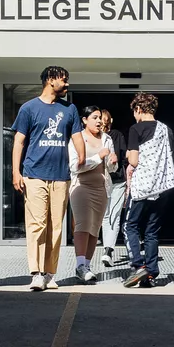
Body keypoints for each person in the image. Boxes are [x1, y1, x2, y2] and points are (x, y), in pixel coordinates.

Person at [11, 66, 87, 291]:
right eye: (64, 80)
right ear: (50, 80)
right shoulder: (29, 108)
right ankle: (36, 273)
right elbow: (19, 141)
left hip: (61, 176)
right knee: (37, 225)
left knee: (55, 227)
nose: (67, 84)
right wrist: (16, 172)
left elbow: (76, 136)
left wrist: (81, 157)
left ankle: (49, 273)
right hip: (34, 174)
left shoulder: (70, 109)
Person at [121, 92, 174, 288]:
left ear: (138, 109)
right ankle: (151, 273)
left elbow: (134, 160)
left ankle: (138, 266)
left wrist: (129, 153)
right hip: (162, 186)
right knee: (152, 231)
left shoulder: (136, 129)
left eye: (134, 112)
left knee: (130, 226)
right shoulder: (166, 129)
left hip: (141, 186)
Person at [69, 106, 116, 284]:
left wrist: (113, 162)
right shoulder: (77, 138)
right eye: (94, 117)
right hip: (81, 187)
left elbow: (111, 168)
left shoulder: (107, 139)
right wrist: (98, 156)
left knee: (94, 228)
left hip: (101, 189)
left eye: (100, 118)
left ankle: (86, 266)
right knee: (82, 224)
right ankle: (80, 264)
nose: (98, 121)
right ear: (84, 120)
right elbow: (75, 166)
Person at [99, 107, 129, 268]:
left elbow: (123, 157)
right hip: (113, 180)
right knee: (112, 216)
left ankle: (107, 250)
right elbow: (124, 157)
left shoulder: (112, 136)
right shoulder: (115, 135)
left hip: (113, 180)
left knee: (109, 216)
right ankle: (107, 250)